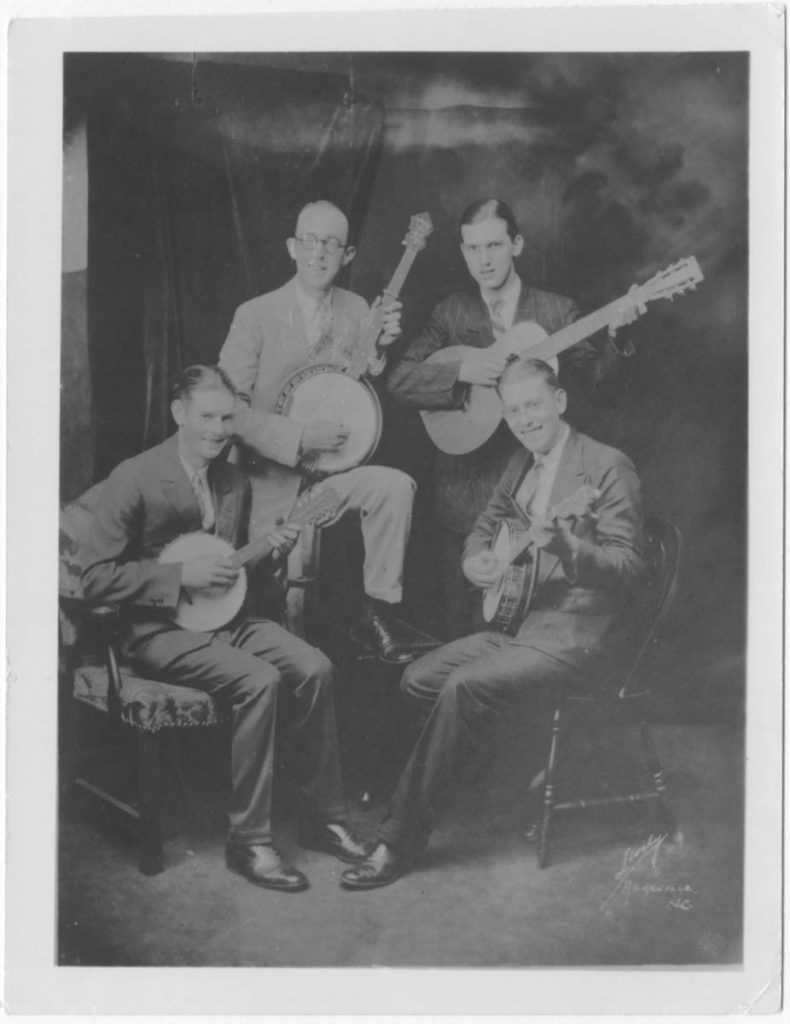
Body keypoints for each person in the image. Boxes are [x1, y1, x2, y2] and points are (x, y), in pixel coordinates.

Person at [341, 357, 646, 890]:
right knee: (418, 679)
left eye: (533, 405)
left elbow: (628, 569)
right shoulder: (522, 463)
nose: (525, 419)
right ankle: (501, 780)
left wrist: (570, 546)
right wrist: (475, 560)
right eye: (513, 411)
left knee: (464, 687)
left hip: (578, 635)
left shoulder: (606, 464)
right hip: (521, 626)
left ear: (560, 401)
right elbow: (483, 529)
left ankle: (398, 841)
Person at [82, 365, 369, 894]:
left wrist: (271, 554)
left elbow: (230, 574)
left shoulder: (233, 480)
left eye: (227, 418)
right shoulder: (136, 476)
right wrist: (177, 575)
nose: (218, 429)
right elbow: (95, 578)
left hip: (225, 620)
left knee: (315, 666)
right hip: (156, 631)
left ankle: (324, 817)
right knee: (259, 680)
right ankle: (249, 840)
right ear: (179, 414)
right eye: (206, 416)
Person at [387, 198, 640, 639]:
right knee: (462, 639)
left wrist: (617, 336)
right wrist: (461, 371)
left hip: (539, 511)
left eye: (494, 246)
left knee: (525, 641)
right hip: (467, 504)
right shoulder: (451, 314)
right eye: (472, 249)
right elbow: (400, 380)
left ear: (517, 244)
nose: (483, 260)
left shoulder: (557, 312)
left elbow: (605, 393)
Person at [219, 200, 416, 664]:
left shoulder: (355, 308)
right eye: (309, 240)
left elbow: (356, 386)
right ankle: (288, 655)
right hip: (268, 481)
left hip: (329, 480)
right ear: (292, 247)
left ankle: (378, 608)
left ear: (347, 256)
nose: (318, 252)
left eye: (331, 243)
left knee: (395, 486)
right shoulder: (256, 315)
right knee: (283, 593)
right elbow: (228, 409)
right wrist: (298, 437)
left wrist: (380, 349)